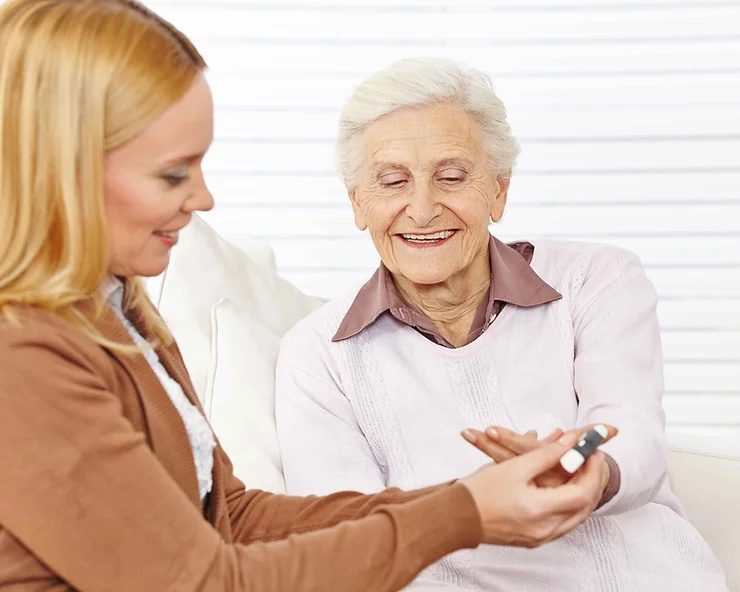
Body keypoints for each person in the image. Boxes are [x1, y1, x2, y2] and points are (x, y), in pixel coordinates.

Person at [0, 2, 612, 591]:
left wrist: (467, 500)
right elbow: (203, 584)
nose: (204, 197)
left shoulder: (119, 309)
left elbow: (230, 519)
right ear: (63, 171)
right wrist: (463, 515)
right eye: (173, 173)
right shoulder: (21, 357)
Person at [275, 57, 729, 591]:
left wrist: (586, 467)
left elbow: (629, 431)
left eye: (451, 176)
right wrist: (470, 509)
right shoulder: (318, 355)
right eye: (393, 182)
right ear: (358, 203)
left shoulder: (595, 280)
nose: (422, 210)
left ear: (499, 190)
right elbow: (352, 543)